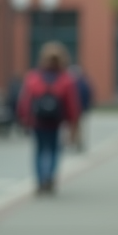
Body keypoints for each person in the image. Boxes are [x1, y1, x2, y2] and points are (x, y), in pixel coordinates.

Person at [17, 42, 81, 194]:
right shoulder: (66, 79)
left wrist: (24, 119)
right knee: (53, 150)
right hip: (55, 121)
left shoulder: (33, 78)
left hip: (37, 121)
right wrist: (73, 123)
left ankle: (40, 181)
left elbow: (25, 101)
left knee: (39, 150)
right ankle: (49, 178)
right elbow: (72, 104)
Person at [68, 64, 93, 151]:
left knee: (74, 127)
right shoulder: (83, 83)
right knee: (76, 127)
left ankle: (74, 142)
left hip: (77, 108)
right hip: (79, 108)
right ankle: (75, 142)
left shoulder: (73, 83)